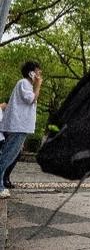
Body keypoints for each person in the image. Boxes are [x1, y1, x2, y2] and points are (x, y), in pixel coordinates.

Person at [0, 62, 42, 199]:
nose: (40, 74)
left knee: (10, 155)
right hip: (18, 125)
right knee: (7, 156)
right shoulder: (24, 83)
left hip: (21, 126)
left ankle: (1, 184)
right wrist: (38, 85)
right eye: (38, 71)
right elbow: (30, 99)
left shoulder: (27, 85)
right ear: (31, 73)